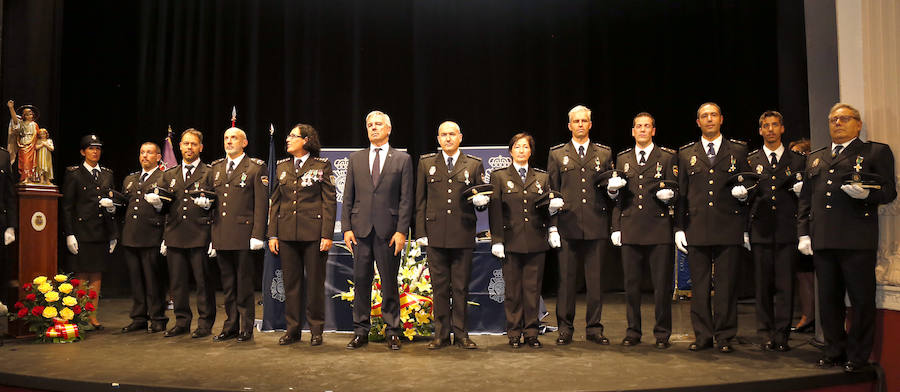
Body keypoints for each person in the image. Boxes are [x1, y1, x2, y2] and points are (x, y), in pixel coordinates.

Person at [798, 103, 896, 372]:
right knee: (829, 301)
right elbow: (806, 199)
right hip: (824, 239)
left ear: (858, 124)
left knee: (861, 300)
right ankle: (834, 351)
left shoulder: (874, 152)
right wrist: (803, 234)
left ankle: (858, 355)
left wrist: (868, 196)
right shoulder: (816, 157)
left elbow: (889, 191)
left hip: (856, 239)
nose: (837, 123)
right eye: (832, 120)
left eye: (843, 119)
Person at [675, 102, 751, 353]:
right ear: (698, 122)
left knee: (726, 285)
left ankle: (725, 335)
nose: (709, 119)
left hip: (728, 226)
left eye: (713, 115)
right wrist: (679, 228)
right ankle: (703, 335)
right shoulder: (686, 153)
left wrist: (744, 199)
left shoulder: (738, 151)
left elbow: (749, 187)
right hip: (697, 227)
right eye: (704, 116)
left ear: (721, 119)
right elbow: (681, 195)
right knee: (699, 286)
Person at [342, 110, 414, 351]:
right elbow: (348, 197)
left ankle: (393, 331)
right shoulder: (356, 158)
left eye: (379, 124)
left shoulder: (402, 159)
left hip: (389, 232)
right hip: (360, 231)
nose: (374, 128)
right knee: (361, 282)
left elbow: (406, 199)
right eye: (370, 125)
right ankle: (360, 331)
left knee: (389, 282)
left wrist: (402, 230)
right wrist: (346, 229)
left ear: (389, 129)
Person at [546, 105, 617, 345]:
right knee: (566, 281)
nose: (580, 125)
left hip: (596, 223)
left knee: (595, 281)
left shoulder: (604, 153)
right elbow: (552, 193)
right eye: (575, 121)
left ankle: (594, 328)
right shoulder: (557, 154)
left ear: (590, 124)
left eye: (584, 121)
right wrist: (552, 226)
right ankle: (565, 328)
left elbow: (610, 190)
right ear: (569, 125)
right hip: (567, 225)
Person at [414, 121, 487, 350]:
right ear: (438, 139)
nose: (448, 138)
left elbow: (483, 200)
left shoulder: (474, 165)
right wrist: (420, 232)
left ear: (460, 137)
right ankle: (441, 335)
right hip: (435, 235)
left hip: (462, 233)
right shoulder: (426, 163)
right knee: (439, 287)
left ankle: (462, 334)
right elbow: (420, 201)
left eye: (452, 134)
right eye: (443, 135)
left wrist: (482, 203)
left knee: (461, 287)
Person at [610, 112, 678, 349]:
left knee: (661, 287)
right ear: (632, 131)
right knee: (631, 286)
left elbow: (676, 191)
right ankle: (633, 331)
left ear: (653, 131)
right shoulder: (623, 158)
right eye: (638, 126)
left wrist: (670, 199)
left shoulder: (667, 157)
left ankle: (662, 334)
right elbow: (618, 197)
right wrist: (616, 226)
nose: (642, 130)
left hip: (658, 228)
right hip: (630, 227)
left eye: (646, 126)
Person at [268, 124, 336, 346]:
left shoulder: (321, 165)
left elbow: (329, 202)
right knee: (291, 284)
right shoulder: (281, 167)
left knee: (315, 284)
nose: (287, 139)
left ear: (305, 140)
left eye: (292, 136)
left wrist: (327, 234)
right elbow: (275, 203)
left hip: (314, 235)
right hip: (287, 234)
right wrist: (273, 235)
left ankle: (316, 329)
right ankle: (293, 329)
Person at [198, 127, 268, 342]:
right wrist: (205, 204)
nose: (229, 141)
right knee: (228, 286)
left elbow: (261, 204)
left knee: (244, 284)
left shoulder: (256, 167)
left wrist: (258, 234)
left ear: (244, 142)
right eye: (226, 137)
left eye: (234, 138)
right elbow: (210, 199)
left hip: (244, 234)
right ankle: (230, 325)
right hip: (221, 233)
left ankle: (246, 326)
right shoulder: (216, 168)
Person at [489, 132, 557, 349]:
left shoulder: (542, 178)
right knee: (513, 291)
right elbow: (495, 211)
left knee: (532, 290)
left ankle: (531, 332)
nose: (521, 150)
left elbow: (548, 209)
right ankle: (514, 332)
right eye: (517, 147)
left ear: (530, 151)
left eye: (525, 147)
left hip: (535, 241)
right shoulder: (499, 176)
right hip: (510, 241)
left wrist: (553, 227)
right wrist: (497, 240)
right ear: (510, 151)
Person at [746, 111, 806, 352]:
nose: (770, 129)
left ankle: (781, 334)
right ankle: (764, 333)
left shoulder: (797, 160)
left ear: (782, 128)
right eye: (765, 126)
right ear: (760, 130)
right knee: (762, 286)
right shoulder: (750, 160)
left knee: (785, 286)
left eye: (774, 125)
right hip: (760, 230)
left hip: (786, 230)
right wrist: (745, 231)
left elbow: (805, 201)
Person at [151, 129, 217, 339]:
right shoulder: (169, 175)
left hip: (200, 234)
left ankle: (205, 323)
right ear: (179, 146)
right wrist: (158, 207)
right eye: (186, 144)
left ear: (201, 147)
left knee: (202, 283)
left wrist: (209, 213)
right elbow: (164, 207)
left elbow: (217, 205)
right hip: (175, 234)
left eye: (193, 144)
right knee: (177, 282)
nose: (189, 147)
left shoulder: (209, 172)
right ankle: (181, 321)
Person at [61, 134, 118, 330]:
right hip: (81, 231)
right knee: (81, 275)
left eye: (98, 148)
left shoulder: (107, 174)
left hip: (101, 231)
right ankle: (79, 314)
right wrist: (69, 234)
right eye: (91, 148)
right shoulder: (74, 174)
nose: (95, 152)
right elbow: (67, 206)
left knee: (97, 274)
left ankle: (92, 315)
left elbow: (113, 203)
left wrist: (113, 233)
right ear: (82, 151)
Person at [119, 142, 168, 334]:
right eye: (142, 152)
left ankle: (158, 317)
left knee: (153, 280)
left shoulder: (164, 178)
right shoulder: (130, 179)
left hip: (152, 235)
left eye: (149, 153)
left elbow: (168, 210)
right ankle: (139, 317)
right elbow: (125, 205)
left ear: (158, 157)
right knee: (136, 280)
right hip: (131, 235)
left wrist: (165, 236)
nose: (145, 156)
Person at [788, 138, 815, 333]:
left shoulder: (813, 171)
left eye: (799, 154)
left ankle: (811, 316)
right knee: (802, 276)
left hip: (814, 229)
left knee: (810, 276)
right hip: (798, 229)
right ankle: (808, 314)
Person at [6, 100, 38, 183]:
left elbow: (38, 136)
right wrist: (11, 108)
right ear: (24, 116)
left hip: (32, 145)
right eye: (27, 114)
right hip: (23, 145)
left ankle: (29, 178)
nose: (30, 115)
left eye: (31, 114)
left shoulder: (34, 124)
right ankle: (24, 178)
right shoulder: (22, 124)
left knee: (30, 162)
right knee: (24, 162)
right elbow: (15, 120)